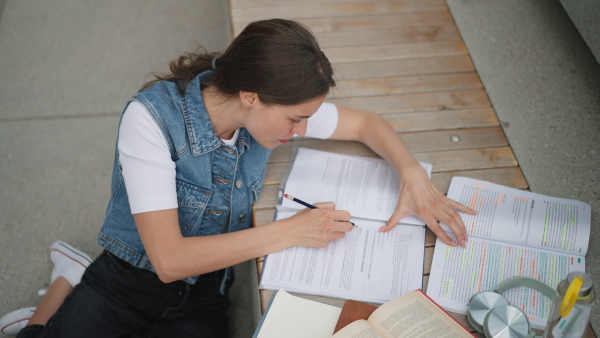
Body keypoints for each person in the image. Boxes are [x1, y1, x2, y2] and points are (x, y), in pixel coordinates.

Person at [0, 19, 476, 337]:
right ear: (251, 95)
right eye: (294, 120)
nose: (301, 131)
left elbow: (367, 123)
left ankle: (68, 282)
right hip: (130, 279)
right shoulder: (149, 120)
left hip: (205, 293)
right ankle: (70, 278)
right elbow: (167, 260)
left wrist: (412, 175)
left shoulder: (267, 105)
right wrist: (289, 233)